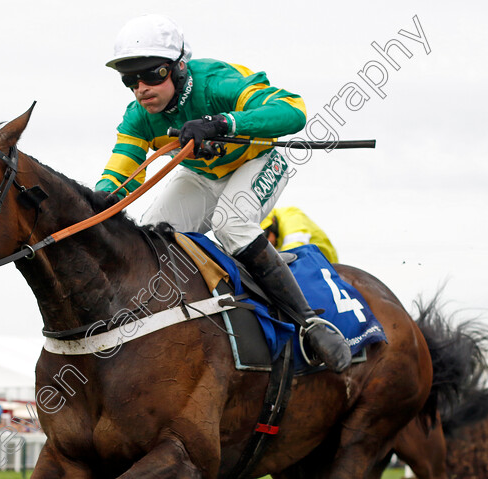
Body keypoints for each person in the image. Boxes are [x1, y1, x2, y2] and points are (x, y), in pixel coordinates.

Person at [95, 14, 350, 372]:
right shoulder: (138, 117)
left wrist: (224, 122)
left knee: (230, 224)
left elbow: (293, 110)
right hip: (201, 176)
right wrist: (94, 203)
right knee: (151, 239)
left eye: (153, 74)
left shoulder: (217, 82)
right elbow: (120, 175)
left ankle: (310, 323)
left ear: (180, 67)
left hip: (257, 162)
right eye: (130, 80)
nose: (142, 89)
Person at [261, 206, 339, 263]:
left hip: (327, 264)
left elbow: (293, 249)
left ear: (273, 222)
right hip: (308, 262)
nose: (265, 242)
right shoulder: (275, 235)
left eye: (264, 236)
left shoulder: (292, 216)